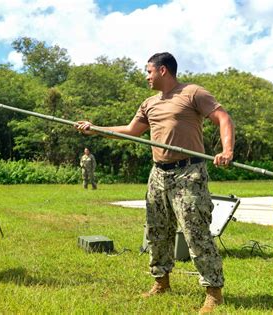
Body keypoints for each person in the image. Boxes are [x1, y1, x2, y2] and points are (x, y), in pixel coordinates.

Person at [76, 52, 234, 314]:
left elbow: (223, 118)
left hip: (189, 172)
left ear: (163, 71)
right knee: (156, 230)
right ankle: (161, 282)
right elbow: (131, 131)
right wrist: (97, 129)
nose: (147, 77)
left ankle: (213, 292)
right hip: (158, 174)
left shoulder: (193, 93)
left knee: (195, 233)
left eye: (149, 71)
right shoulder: (149, 103)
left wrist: (226, 151)